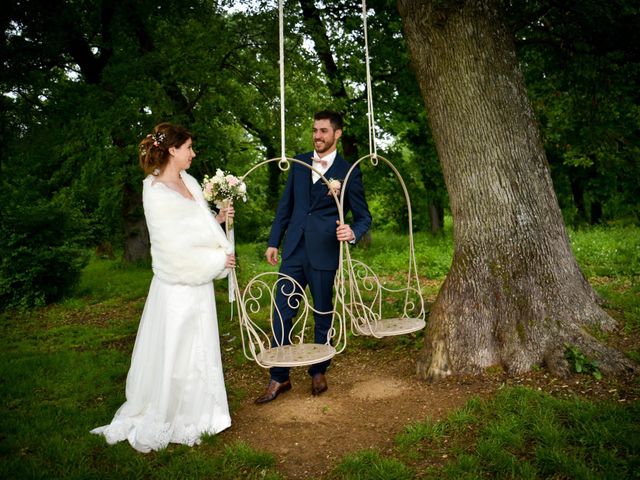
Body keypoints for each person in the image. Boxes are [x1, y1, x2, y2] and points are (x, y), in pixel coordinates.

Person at [91, 123, 236, 452]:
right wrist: (215, 263)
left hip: (197, 286)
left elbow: (196, 230)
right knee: (178, 350)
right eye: (188, 147)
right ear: (172, 150)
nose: (193, 153)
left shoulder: (190, 182)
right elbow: (172, 250)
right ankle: (175, 412)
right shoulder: (155, 192)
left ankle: (206, 411)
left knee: (200, 347)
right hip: (177, 288)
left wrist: (219, 220)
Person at [256, 110, 372, 404]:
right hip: (293, 250)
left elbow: (363, 216)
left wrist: (352, 232)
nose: (317, 136)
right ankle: (279, 377)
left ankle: (319, 370)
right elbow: (286, 205)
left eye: (323, 131)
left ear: (337, 134)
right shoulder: (298, 163)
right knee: (282, 310)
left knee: (322, 311)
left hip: (324, 250)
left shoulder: (348, 170)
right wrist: (274, 241)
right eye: (314, 130)